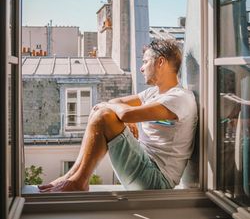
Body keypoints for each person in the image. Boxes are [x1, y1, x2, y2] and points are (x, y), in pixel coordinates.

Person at [38, 39, 197, 192]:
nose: (142, 68)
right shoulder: (154, 93)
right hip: (145, 164)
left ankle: (79, 182)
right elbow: (117, 101)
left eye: (145, 61)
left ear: (160, 62)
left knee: (104, 115)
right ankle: (71, 176)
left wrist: (124, 116)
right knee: (101, 112)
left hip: (157, 179)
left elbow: (125, 113)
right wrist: (126, 118)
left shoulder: (180, 98)